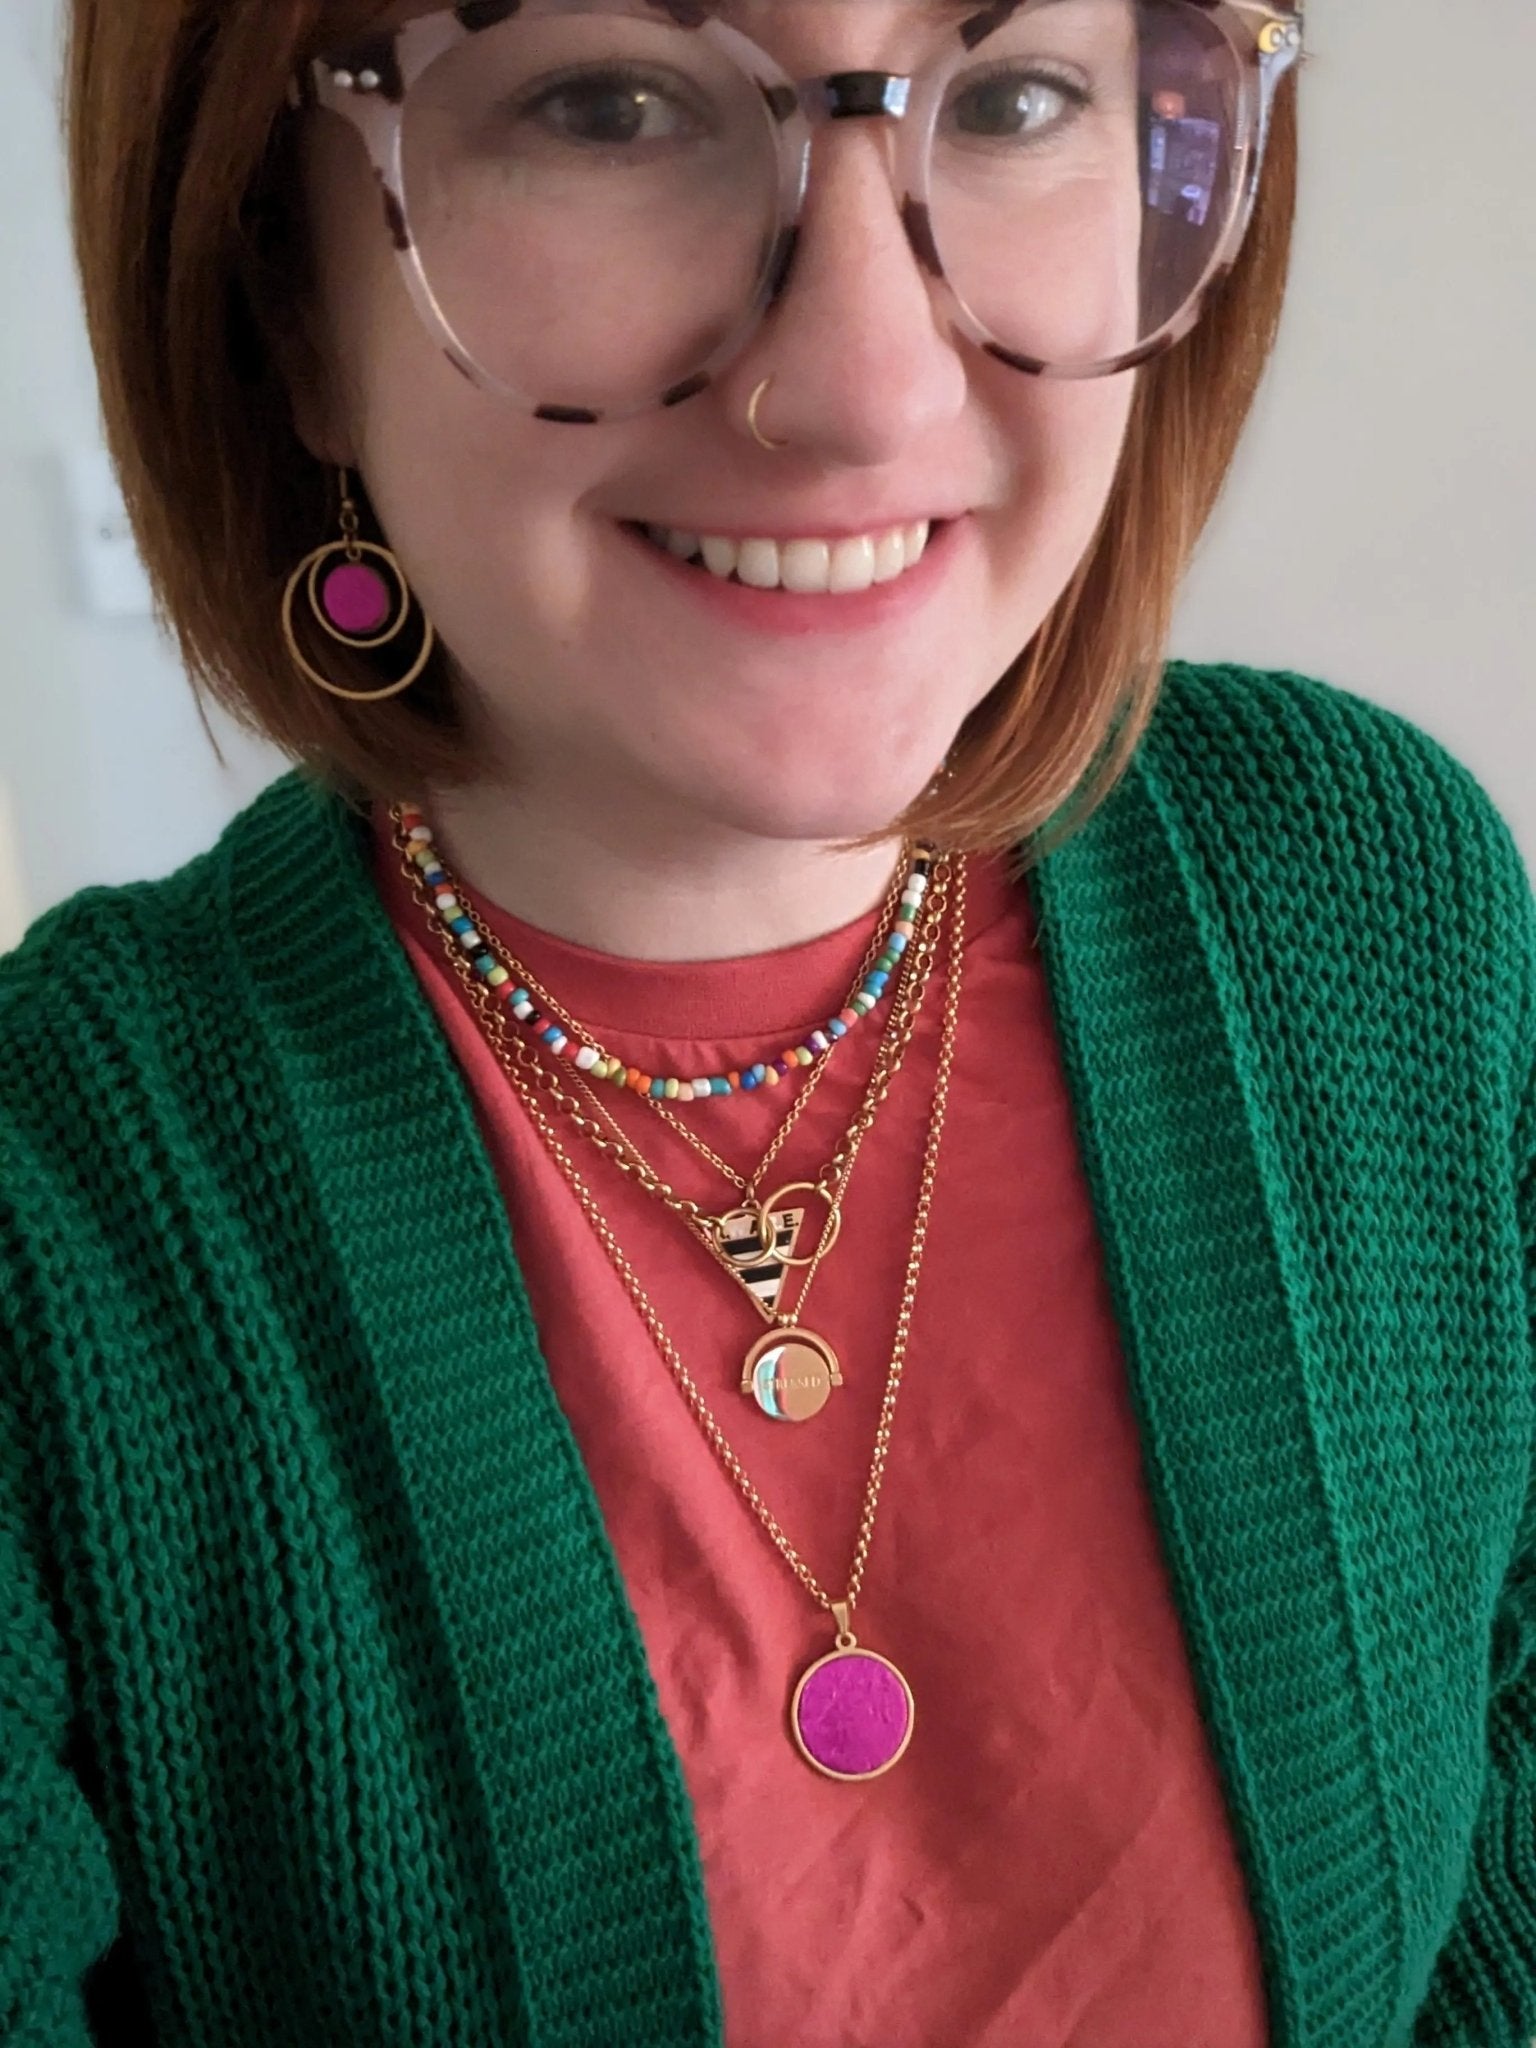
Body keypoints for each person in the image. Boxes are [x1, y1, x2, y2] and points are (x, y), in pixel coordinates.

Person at [3, 2, 1533, 2043]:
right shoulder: (56, 1218)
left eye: (1011, 97)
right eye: (613, 103)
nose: (862, 383)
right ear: (285, 285)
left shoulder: (1371, 903)